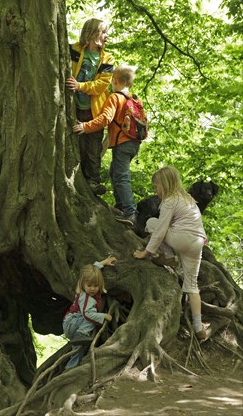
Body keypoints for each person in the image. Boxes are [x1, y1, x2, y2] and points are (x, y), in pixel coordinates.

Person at [133, 166, 207, 341]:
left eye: (156, 186)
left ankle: (169, 257)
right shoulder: (188, 199)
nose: (155, 190)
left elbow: (159, 231)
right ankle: (198, 328)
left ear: (165, 185)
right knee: (191, 285)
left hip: (181, 240)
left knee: (152, 222)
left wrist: (146, 252)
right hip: (197, 243)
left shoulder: (169, 201)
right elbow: (196, 224)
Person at [72, 65, 140, 225]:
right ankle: (121, 206)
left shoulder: (115, 98)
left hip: (122, 143)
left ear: (114, 81)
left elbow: (105, 119)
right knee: (115, 172)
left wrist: (85, 126)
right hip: (134, 144)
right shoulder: (134, 98)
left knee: (121, 176)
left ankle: (130, 212)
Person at [66, 18, 114, 196]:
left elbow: (102, 85)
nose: (106, 36)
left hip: (93, 111)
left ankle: (92, 182)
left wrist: (80, 86)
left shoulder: (107, 58)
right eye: (103, 32)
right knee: (75, 145)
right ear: (92, 33)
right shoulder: (74, 50)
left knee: (92, 148)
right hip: (73, 107)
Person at [63, 255, 116, 370]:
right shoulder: (87, 298)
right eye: (90, 285)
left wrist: (104, 262)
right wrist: (104, 316)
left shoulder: (86, 286)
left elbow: (92, 270)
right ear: (83, 284)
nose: (92, 288)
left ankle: (71, 368)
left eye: (96, 286)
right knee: (92, 318)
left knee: (79, 350)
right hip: (73, 322)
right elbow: (87, 314)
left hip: (73, 323)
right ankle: (81, 334)